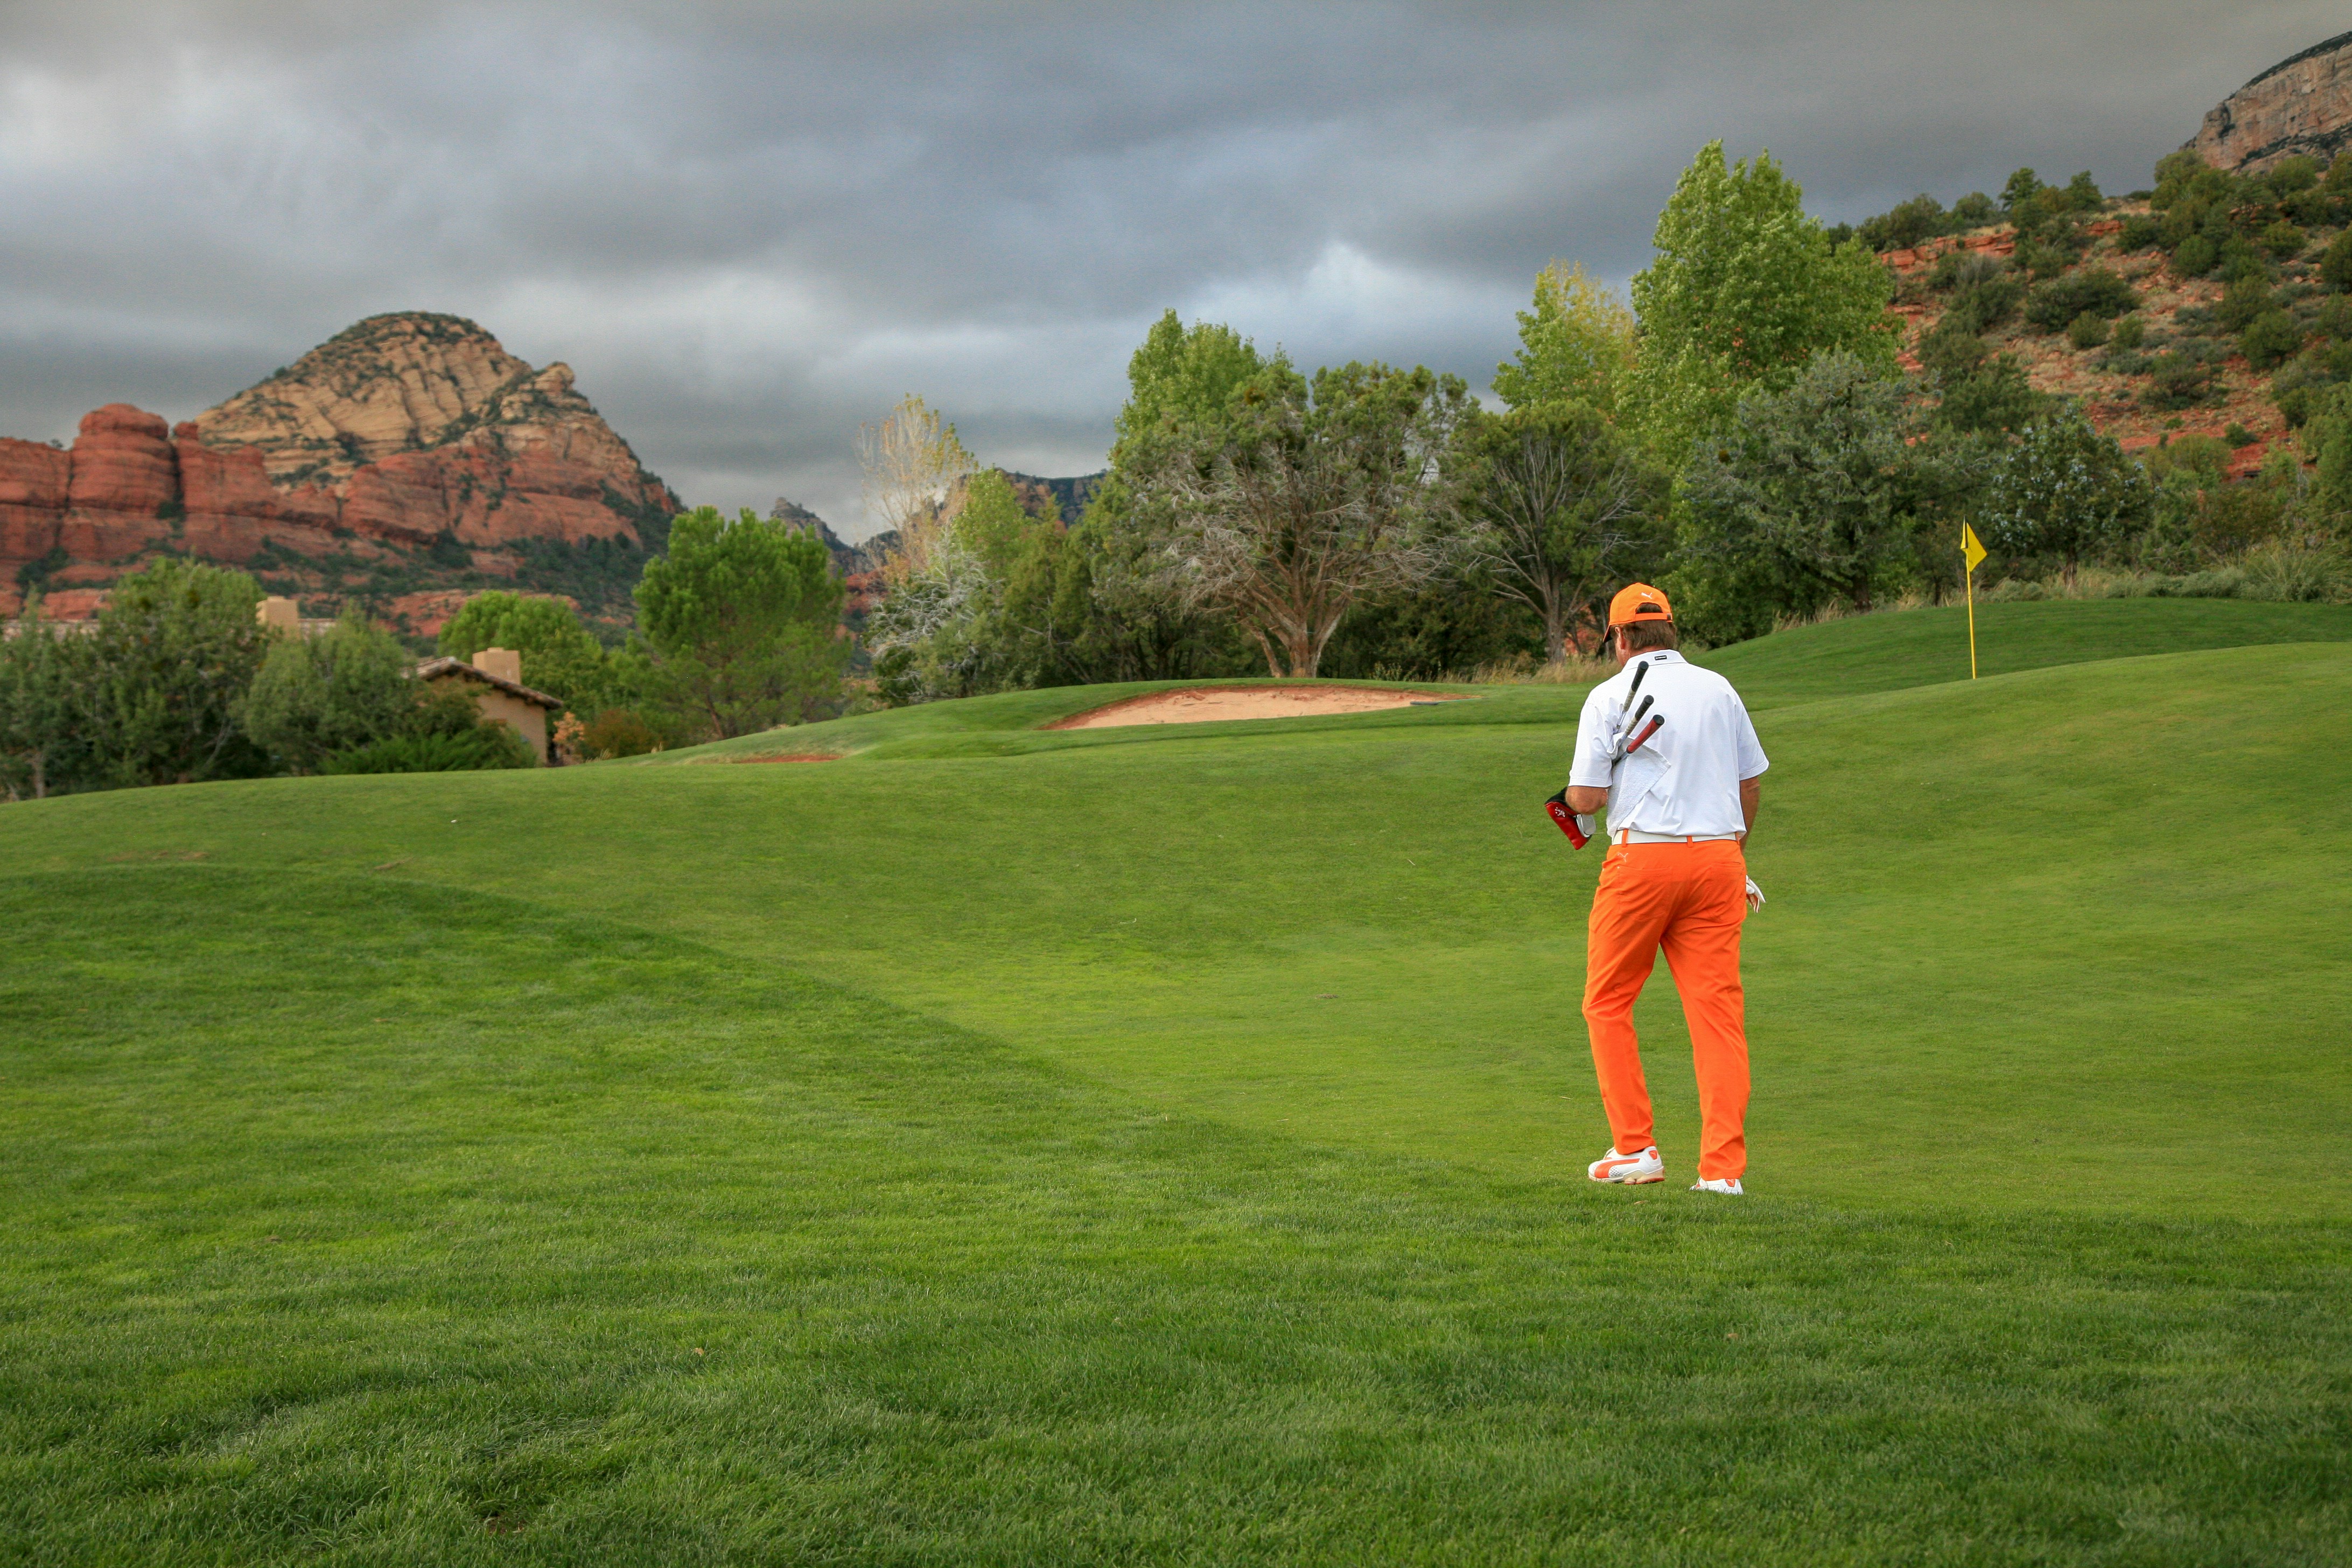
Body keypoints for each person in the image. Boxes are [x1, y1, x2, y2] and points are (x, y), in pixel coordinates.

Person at [1560, 583, 1768, 1195]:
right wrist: (1734, 852)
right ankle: (1722, 1173)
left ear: (1619, 638)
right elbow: (1749, 782)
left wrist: (1568, 800)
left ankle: (1636, 1147)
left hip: (1642, 861)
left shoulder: (1608, 695)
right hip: (1717, 861)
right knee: (1718, 1016)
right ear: (1670, 632)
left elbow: (1590, 798)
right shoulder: (1719, 688)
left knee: (1607, 1001)